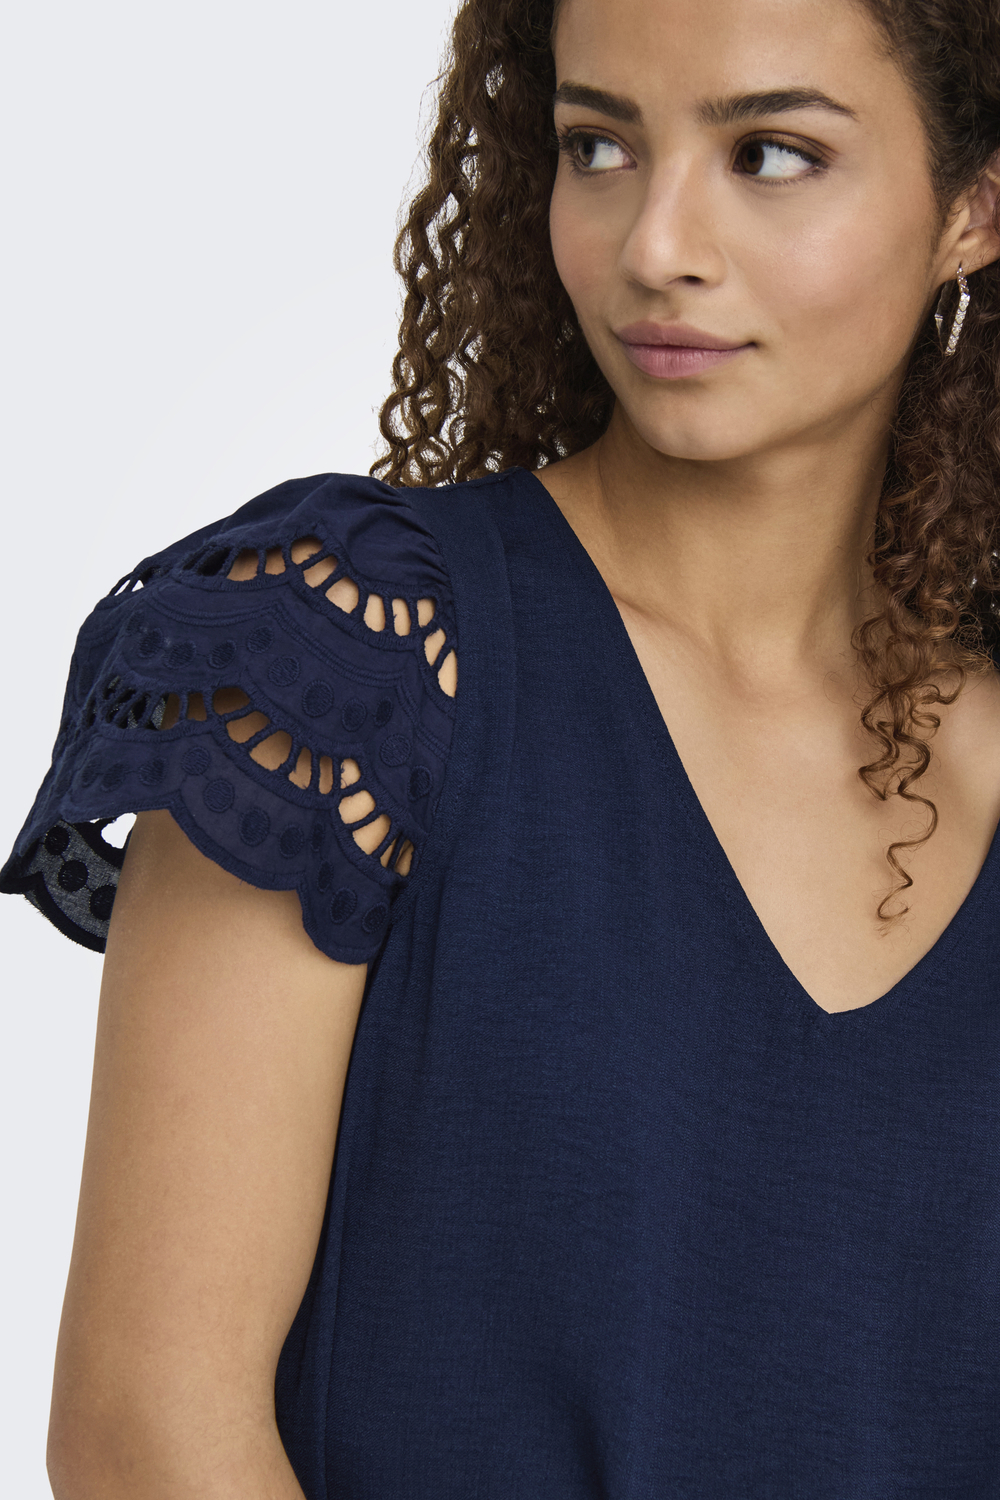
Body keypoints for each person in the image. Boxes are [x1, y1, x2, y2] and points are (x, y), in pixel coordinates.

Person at [5, 0, 1000, 1493]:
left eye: (771, 154)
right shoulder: (349, 660)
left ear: (973, 209)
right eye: (599, 145)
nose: (657, 243)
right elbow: (147, 1428)